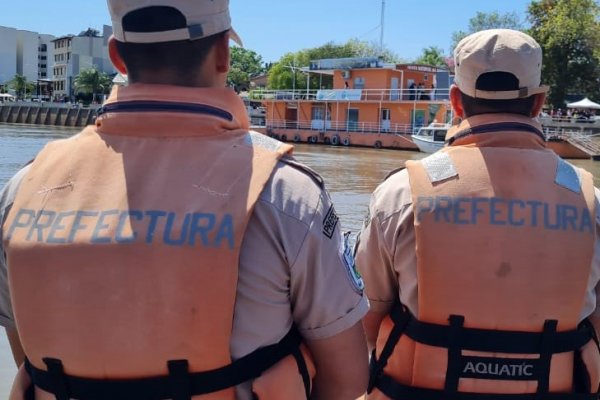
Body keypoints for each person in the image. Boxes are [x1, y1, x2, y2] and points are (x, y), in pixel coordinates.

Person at [0, 1, 369, 399]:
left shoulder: (23, 188)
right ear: (225, 53)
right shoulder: (287, 195)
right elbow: (347, 378)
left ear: (116, 56)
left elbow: (26, 355)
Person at [355, 29, 600, 400]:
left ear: (455, 101)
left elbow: (366, 317)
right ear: (538, 102)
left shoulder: (400, 194)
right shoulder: (590, 201)